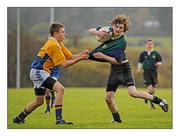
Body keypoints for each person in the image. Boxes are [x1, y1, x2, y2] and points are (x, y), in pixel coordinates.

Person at [88, 15, 168, 123]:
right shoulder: (108, 31)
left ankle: (161, 101)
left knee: (133, 93)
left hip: (124, 68)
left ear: (124, 29)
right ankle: (117, 120)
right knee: (108, 98)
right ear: (113, 25)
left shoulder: (122, 41)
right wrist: (97, 33)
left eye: (121, 28)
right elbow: (91, 30)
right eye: (117, 27)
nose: (118, 29)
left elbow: (118, 61)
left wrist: (103, 56)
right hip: (114, 70)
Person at [13, 22, 89, 125]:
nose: (65, 34)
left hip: (39, 72)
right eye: (63, 32)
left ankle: (19, 118)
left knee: (39, 101)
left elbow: (70, 57)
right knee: (60, 89)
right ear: (55, 33)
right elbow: (65, 64)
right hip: (39, 72)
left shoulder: (58, 43)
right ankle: (59, 120)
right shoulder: (53, 44)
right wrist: (81, 58)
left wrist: (81, 54)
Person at [137, 39, 162, 109]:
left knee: (153, 90)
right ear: (146, 45)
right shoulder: (143, 54)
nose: (149, 45)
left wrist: (158, 64)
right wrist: (139, 69)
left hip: (154, 72)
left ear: (152, 45)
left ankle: (146, 96)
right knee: (150, 89)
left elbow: (159, 62)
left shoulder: (156, 53)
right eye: (148, 44)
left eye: (151, 44)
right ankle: (152, 105)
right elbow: (140, 62)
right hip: (146, 73)